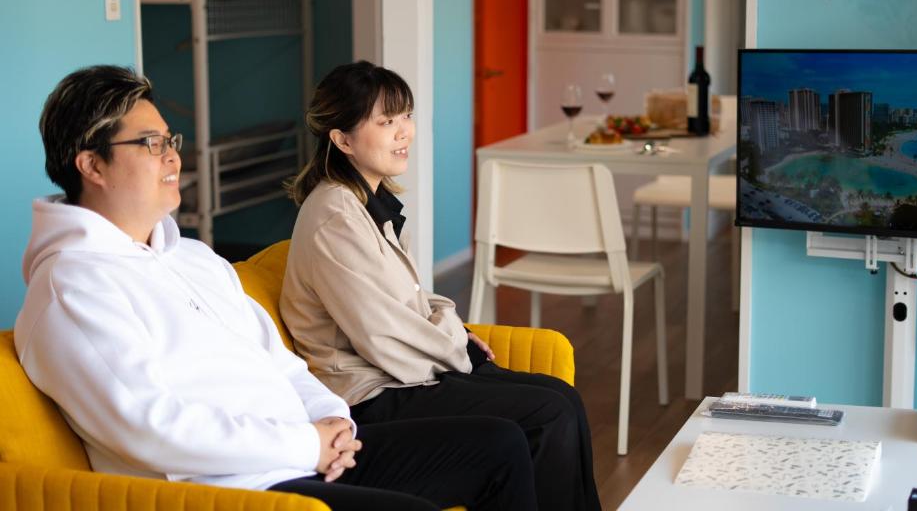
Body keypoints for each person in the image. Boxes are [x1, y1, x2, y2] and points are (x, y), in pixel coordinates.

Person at [14, 65, 538, 511]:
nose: (174, 157)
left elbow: (279, 361)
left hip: (307, 454)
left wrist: (331, 419)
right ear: (92, 165)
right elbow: (152, 426)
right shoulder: (74, 286)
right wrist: (307, 444)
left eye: (170, 140)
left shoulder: (193, 258)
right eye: (151, 144)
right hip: (240, 489)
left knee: (500, 444)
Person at [280, 60, 601, 511]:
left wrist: (455, 333)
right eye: (386, 121)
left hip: (405, 373)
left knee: (562, 398)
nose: (403, 132)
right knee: (548, 416)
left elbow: (415, 298)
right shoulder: (334, 216)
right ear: (343, 139)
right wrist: (456, 348)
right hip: (374, 394)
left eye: (406, 116)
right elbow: (383, 337)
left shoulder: (370, 201)